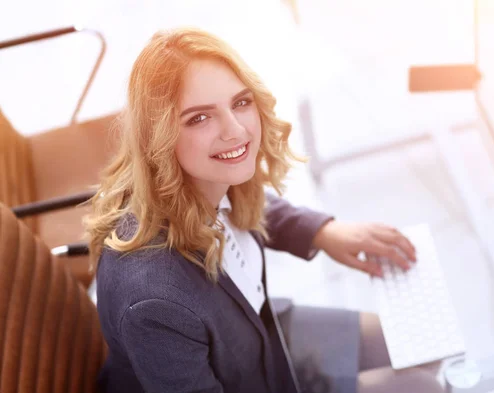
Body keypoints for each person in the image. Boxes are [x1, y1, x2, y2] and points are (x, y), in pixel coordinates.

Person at [84, 27, 444, 393]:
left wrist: (321, 232)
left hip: (260, 340)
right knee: (421, 387)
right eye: (199, 118)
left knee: (423, 345)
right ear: (158, 135)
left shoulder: (205, 175)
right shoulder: (154, 301)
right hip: (243, 378)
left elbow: (240, 204)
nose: (236, 130)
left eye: (241, 102)